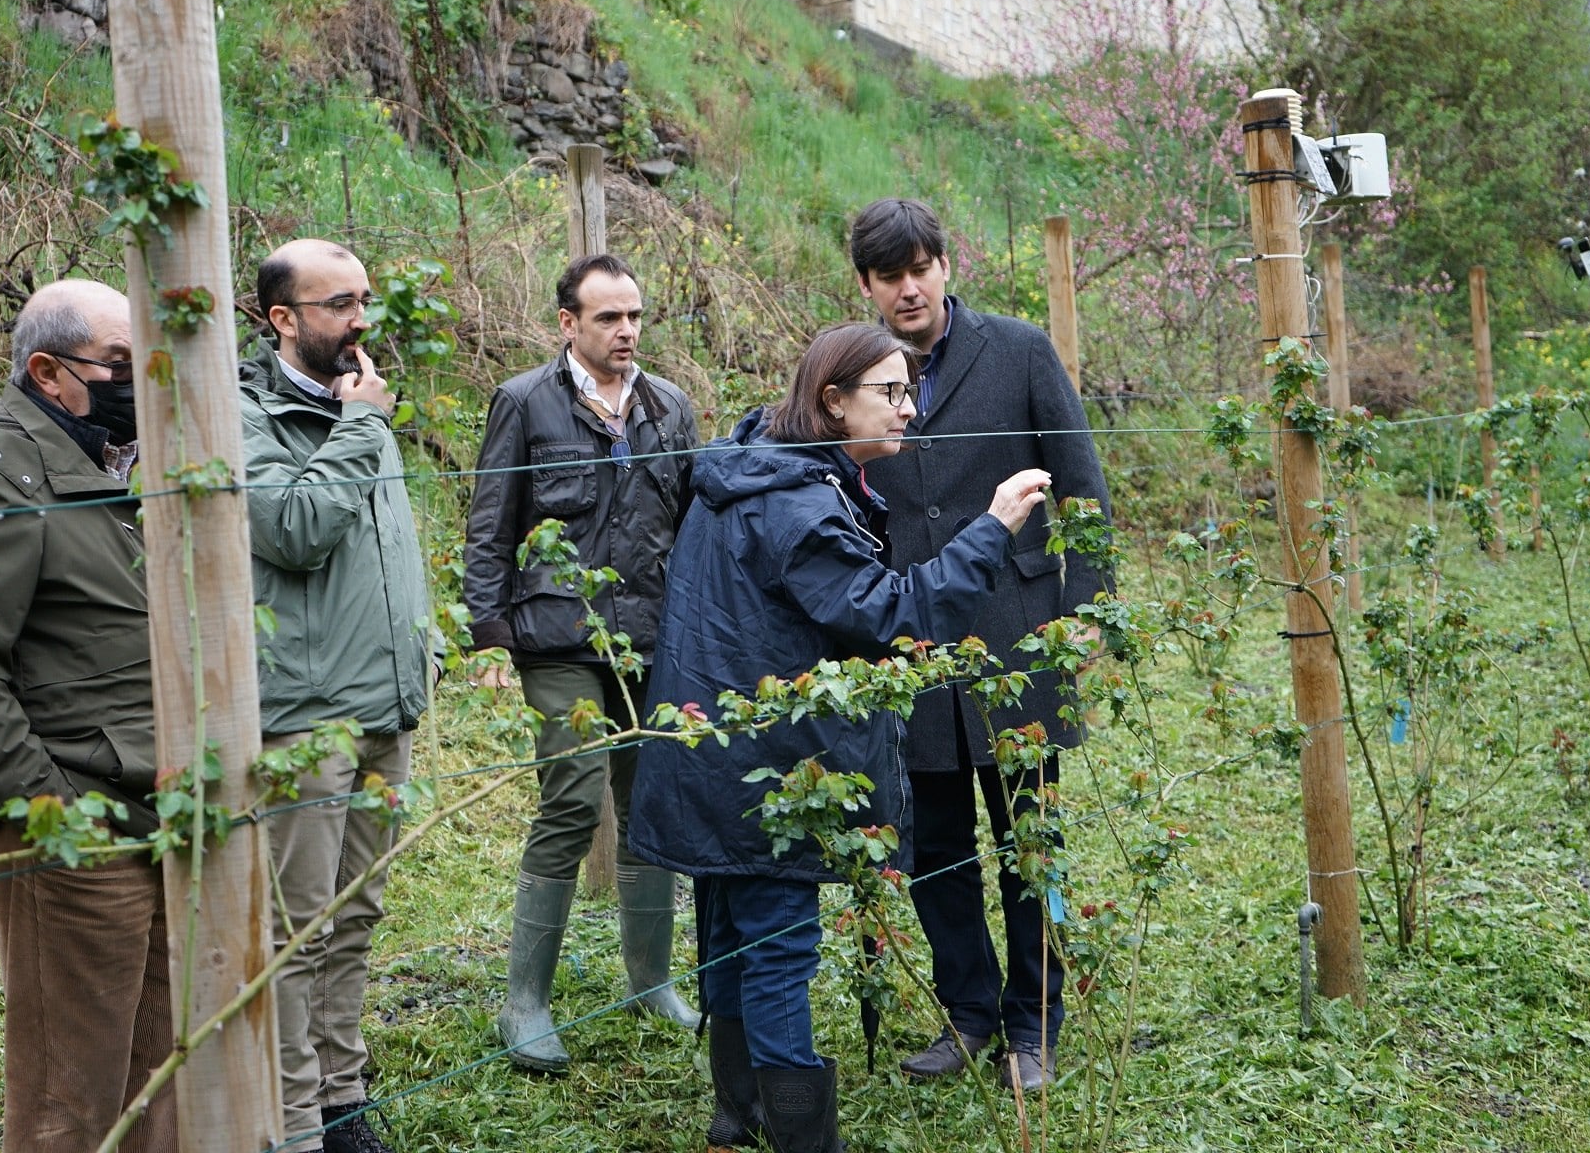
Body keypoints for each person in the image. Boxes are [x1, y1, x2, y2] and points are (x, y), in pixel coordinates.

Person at [627, 323, 1053, 1153]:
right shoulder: (798, 506)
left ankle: (736, 1117)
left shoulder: (753, 466)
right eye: (889, 393)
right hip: (767, 770)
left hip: (710, 752)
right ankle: (799, 1139)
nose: (909, 409)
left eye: (911, 390)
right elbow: (896, 616)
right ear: (832, 402)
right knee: (779, 945)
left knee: (727, 932)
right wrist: (993, 526)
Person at [0, 279, 175, 1153]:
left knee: (158, 1079)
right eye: (120, 366)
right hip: (73, 829)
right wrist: (50, 814)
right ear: (49, 371)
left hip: (156, 813)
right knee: (69, 1101)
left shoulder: (114, 466)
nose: (141, 387)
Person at [850, 198, 1113, 1091]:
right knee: (935, 846)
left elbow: (1081, 487)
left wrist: (1085, 612)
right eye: (891, 276)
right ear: (868, 286)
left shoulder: (1021, 351)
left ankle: (1033, 1024)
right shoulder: (858, 371)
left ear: (945, 267)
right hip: (912, 648)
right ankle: (968, 1012)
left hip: (1019, 638)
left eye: (921, 267)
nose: (909, 287)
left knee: (1026, 837)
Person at [462, 252, 702, 1072]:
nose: (626, 330)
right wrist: (489, 633)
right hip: (559, 637)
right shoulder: (526, 404)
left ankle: (651, 982)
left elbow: (691, 527)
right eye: (608, 317)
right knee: (569, 797)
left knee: (651, 805)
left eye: (634, 316)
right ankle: (524, 1001)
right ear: (569, 324)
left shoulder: (670, 408)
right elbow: (491, 519)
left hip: (652, 638)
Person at [240, 238, 441, 1153]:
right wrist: (360, 426)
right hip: (304, 721)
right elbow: (292, 531)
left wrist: (423, 653)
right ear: (282, 319)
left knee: (354, 917)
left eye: (364, 299)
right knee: (297, 932)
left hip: (381, 709)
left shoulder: (361, 402)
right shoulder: (244, 415)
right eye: (337, 304)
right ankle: (290, 1128)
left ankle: (341, 1099)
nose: (361, 320)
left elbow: (385, 550)